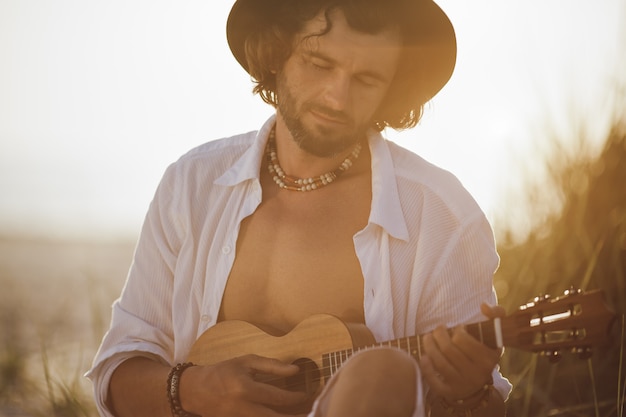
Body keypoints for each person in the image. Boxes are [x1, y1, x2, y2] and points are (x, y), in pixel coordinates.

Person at [87, 0, 512, 416]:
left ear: (391, 88)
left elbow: (489, 408)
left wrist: (466, 395)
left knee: (384, 371)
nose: (337, 98)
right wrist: (195, 389)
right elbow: (119, 373)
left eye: (366, 79)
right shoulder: (191, 185)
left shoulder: (441, 215)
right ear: (277, 52)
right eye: (319, 63)